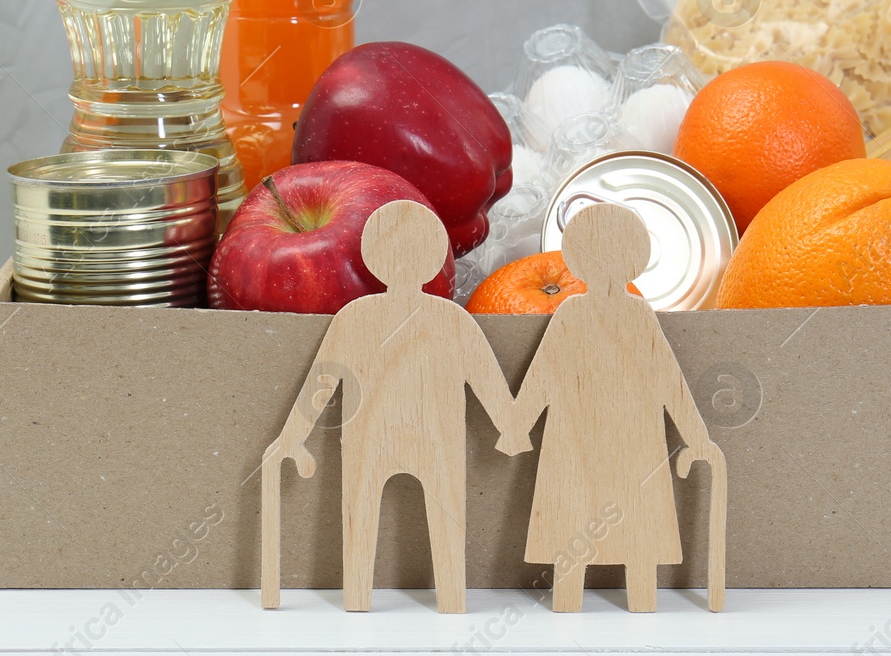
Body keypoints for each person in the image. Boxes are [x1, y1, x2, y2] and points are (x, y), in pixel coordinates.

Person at [261, 200, 525, 613]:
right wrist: (511, 427)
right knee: (396, 515)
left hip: (404, 437)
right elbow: (323, 380)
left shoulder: (374, 317)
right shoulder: (440, 319)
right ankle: (421, 598)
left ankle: (386, 598)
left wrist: (293, 436)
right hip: (395, 437)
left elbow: (322, 382)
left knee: (385, 515)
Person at [505, 202, 726, 612]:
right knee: (585, 517)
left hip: (621, 439)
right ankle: (587, 599)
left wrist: (697, 437)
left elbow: (667, 380)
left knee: (629, 522)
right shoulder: (581, 313)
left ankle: (637, 598)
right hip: (589, 438)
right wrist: (517, 424)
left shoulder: (633, 315)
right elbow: (545, 372)